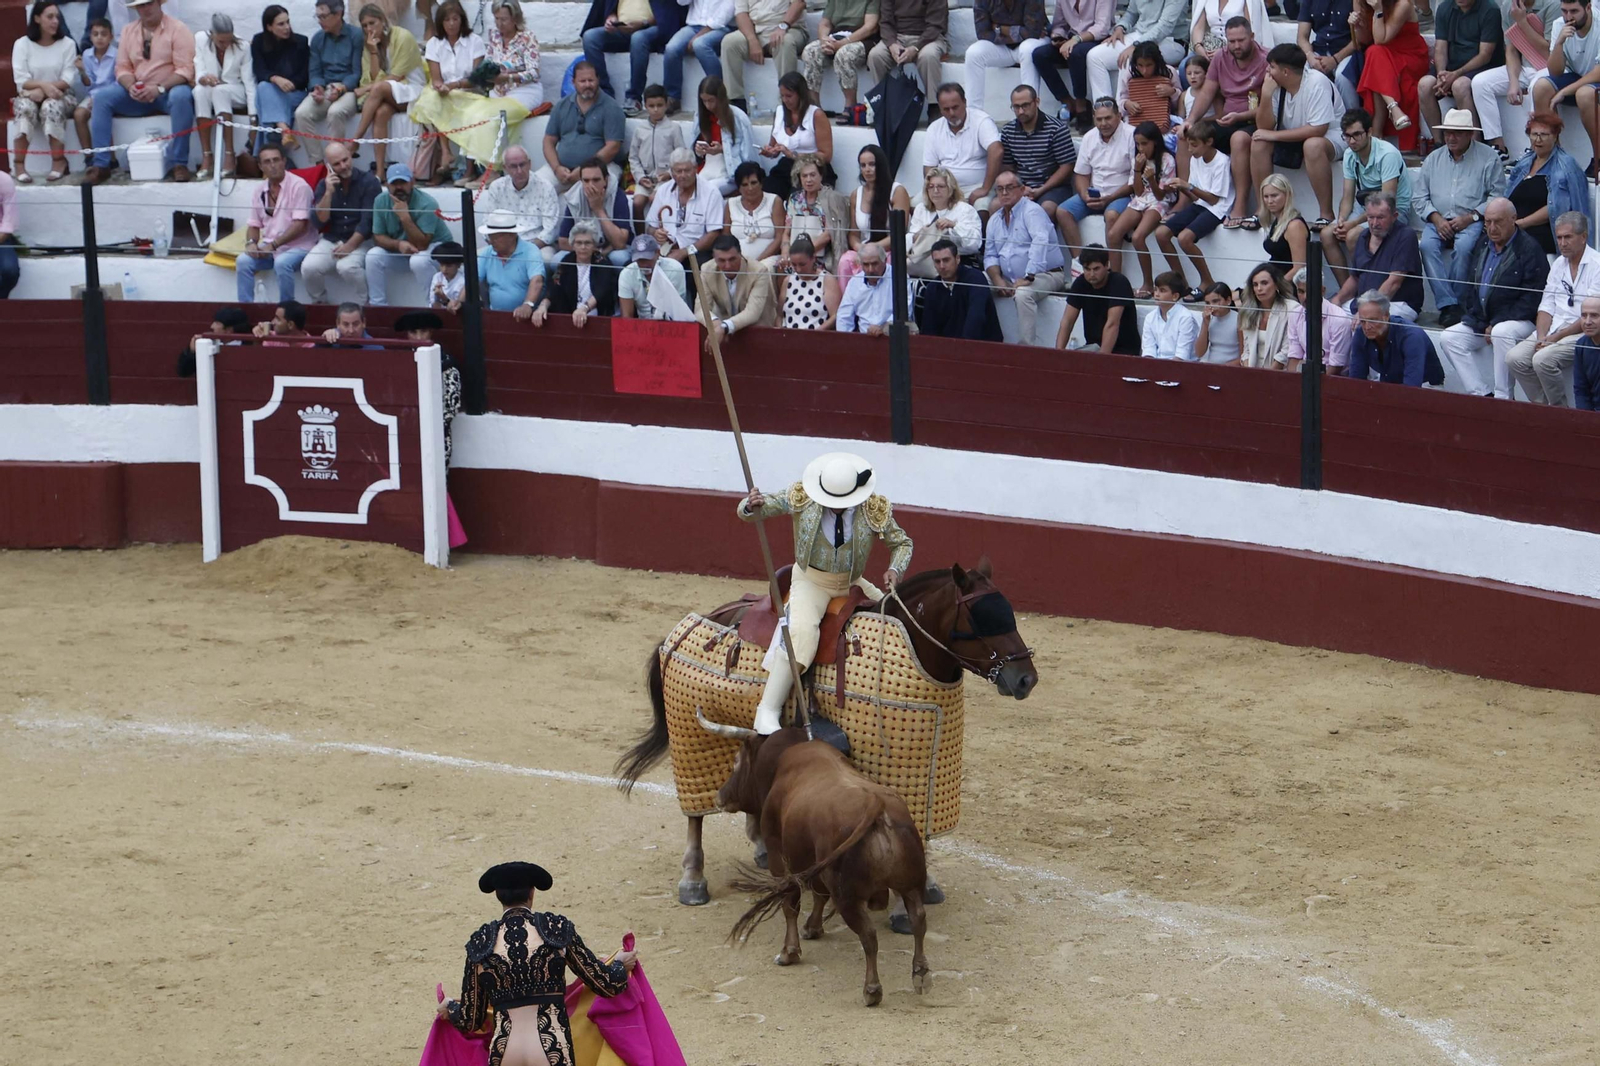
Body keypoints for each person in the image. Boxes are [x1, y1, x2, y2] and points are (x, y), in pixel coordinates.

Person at [737, 452, 912, 734]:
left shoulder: (872, 507)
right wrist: (750, 504)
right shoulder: (803, 496)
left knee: (896, 619)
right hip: (811, 582)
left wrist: (895, 569)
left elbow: (902, 543)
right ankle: (767, 709)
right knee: (803, 633)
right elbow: (761, 508)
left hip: (852, 581)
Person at [442, 861, 637, 1066]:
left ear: (498, 895)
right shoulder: (555, 929)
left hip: (504, 1049)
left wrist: (450, 1007)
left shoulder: (481, 943)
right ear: (532, 893)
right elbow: (605, 984)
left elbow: (470, 1019)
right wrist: (618, 965)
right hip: (551, 1045)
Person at [1437, 197, 1550, 398]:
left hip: (1521, 321)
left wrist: (1497, 322)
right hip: (1486, 320)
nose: (1492, 227)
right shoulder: (1483, 244)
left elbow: (1532, 300)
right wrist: (1479, 321)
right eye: (1488, 222)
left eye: (1498, 221)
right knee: (1449, 338)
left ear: (1513, 219)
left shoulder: (1530, 249)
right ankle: (1481, 395)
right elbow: (1472, 288)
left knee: (1501, 332)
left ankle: (1503, 397)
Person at [83, 0, 195, 185]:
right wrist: (130, 86)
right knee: (102, 98)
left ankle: (179, 164)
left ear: (159, 3)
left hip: (166, 90)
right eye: (141, 5)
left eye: (149, 3)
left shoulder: (178, 29)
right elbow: (122, 68)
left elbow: (185, 70)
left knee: (182, 96)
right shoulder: (129, 30)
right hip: (137, 91)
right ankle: (101, 164)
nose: (146, 8)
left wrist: (159, 88)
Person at [1415, 109, 1504, 328]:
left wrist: (1472, 216)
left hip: (1472, 219)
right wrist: (1436, 218)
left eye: (1457, 133)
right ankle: (1449, 305)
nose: (1451, 138)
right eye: (1447, 133)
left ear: (1469, 135)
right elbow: (1419, 197)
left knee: (1464, 247)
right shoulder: (1433, 158)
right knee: (1426, 245)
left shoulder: (1488, 157)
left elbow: (1498, 195)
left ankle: (1454, 304)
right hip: (1438, 219)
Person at [1504, 212, 1600, 404]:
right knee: (1514, 358)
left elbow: (1591, 317)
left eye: (1568, 237)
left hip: (1581, 332)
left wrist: (1554, 339)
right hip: (1552, 330)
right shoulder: (1558, 264)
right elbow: (1546, 305)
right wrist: (1541, 338)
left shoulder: (1597, 265)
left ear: (1583, 237)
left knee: (1542, 360)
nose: (1562, 243)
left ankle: (1558, 411)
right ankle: (1544, 408)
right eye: (1559, 237)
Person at [1179, 17, 1264, 228]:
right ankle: (1184, 199)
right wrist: (1189, 121)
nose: (1236, 45)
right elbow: (1208, 91)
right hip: (1226, 119)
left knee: (1239, 139)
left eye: (1241, 40)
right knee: (1185, 135)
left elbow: (1270, 105)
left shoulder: (1265, 59)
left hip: (1254, 119)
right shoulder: (1220, 57)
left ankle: (1240, 205)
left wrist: (1240, 116)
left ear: (1252, 37)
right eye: (1231, 41)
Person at [1247, 44, 1342, 231]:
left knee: (1312, 145)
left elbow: (1318, 129)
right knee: (1259, 143)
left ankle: (1326, 214)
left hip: (1332, 137)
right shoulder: (1275, 85)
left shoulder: (1316, 82)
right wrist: (1265, 95)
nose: (1268, 71)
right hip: (1293, 136)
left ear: (1285, 71)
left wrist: (1274, 135)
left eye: (1272, 67)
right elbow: (1264, 127)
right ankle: (1263, 211)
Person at [409, 0, 504, 185]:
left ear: (462, 20)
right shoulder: (434, 44)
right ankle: (446, 152)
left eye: (455, 19)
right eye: (447, 20)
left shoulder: (474, 41)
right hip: (447, 93)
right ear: (441, 23)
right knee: (431, 98)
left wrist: (453, 86)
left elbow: (477, 78)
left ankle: (461, 165)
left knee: (457, 108)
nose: (451, 24)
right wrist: (441, 87)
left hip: (470, 91)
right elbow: (436, 78)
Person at [1321, 108, 1413, 284]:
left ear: (1369, 132)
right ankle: (1348, 290)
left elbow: (1387, 202)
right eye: (1347, 136)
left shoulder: (1387, 154)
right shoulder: (1349, 154)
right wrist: (1341, 220)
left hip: (1394, 211)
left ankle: (1366, 287)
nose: (1352, 141)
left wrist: (1353, 223)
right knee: (1327, 234)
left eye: (1357, 135)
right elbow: (1347, 196)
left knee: (1353, 235)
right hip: (1364, 206)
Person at [984, 167, 1067, 346]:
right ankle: (985, 340)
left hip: (1046, 274)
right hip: (1009, 278)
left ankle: (1026, 349)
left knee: (1023, 294)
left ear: (1022, 190)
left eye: (1010, 187)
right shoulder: (994, 219)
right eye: (1000, 189)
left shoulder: (1032, 211)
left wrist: (1028, 276)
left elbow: (1040, 242)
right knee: (974, 281)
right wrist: (997, 279)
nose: (1004, 193)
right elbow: (990, 254)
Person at [1473, 0, 1562, 160]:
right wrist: (1513, 82)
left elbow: (1549, 53)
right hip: (1524, 67)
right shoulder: (1508, 6)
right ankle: (1498, 147)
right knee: (1480, 83)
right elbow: (1511, 50)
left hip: (1549, 67)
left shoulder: (1552, 5)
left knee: (1538, 85)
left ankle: (1535, 148)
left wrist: (1522, 21)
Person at [1155, 118, 1233, 299]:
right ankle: (1180, 282)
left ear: (1209, 142)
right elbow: (1196, 197)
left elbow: (1213, 200)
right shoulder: (1196, 158)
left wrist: (1188, 186)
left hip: (1218, 209)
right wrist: (1180, 187)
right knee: (1161, 234)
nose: (1190, 150)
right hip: (1201, 204)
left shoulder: (1221, 161)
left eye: (1194, 146)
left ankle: (1207, 281)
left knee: (1184, 239)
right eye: (1189, 145)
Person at [236, 142, 316, 302]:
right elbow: (253, 224)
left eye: (276, 160)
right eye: (267, 162)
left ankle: (286, 311)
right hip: (270, 246)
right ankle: (245, 310)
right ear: (260, 166)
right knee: (243, 261)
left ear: (284, 162)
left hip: (299, 245)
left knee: (282, 263)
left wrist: (273, 246)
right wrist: (251, 243)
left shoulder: (300, 186)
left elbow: (300, 225)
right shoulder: (259, 190)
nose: (272, 165)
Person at [1506, 110, 1593, 256]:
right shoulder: (1524, 162)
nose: (1538, 140)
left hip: (1544, 233)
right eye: (1534, 134)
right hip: (1515, 229)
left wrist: (1522, 223)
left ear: (1555, 137)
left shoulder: (1567, 166)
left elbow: (1560, 206)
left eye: (1544, 135)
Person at [350, 5, 424, 177]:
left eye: (372, 23)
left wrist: (366, 89)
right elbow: (375, 77)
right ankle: (381, 171)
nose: (369, 29)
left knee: (379, 88)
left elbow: (397, 76)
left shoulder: (403, 36)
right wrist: (374, 51)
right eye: (365, 25)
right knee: (381, 113)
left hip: (412, 89)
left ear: (382, 20)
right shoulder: (369, 44)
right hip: (389, 91)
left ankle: (356, 140)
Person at [303, 140, 381, 303]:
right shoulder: (324, 185)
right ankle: (320, 304)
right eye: (337, 164)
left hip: (361, 240)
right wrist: (328, 193)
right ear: (329, 166)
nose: (343, 166)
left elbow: (368, 222)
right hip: (332, 238)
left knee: (346, 267)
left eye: (345, 160)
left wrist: (349, 246)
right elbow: (319, 222)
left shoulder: (370, 182)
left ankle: (365, 303)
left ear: (350, 156)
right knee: (309, 267)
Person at [1530, 0, 1600, 178]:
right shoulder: (1559, 25)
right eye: (1565, 11)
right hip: (1577, 76)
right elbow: (1555, 71)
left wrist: (1564, 91)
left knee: (1585, 94)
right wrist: (1559, 43)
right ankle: (1551, 158)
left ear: (1588, 7)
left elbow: (1598, 74)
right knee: (1541, 87)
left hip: (1594, 78)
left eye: (1574, 11)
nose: (1569, 17)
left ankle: (1598, 159)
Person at [1103, 118, 1175, 294]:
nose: (1141, 148)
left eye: (1145, 144)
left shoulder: (1167, 160)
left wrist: (1151, 178)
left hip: (1160, 201)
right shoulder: (1139, 160)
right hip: (1141, 199)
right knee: (1113, 234)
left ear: (1155, 142)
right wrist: (1137, 169)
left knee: (1138, 237)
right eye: (1138, 144)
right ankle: (1116, 281)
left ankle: (1148, 284)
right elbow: (1138, 192)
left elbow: (1160, 195)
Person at [367, 162, 452, 306]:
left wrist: (404, 217)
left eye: (403, 182)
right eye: (395, 183)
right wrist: (398, 244)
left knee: (418, 261)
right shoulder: (380, 201)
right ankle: (378, 307)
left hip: (436, 250)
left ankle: (434, 305)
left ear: (412, 182)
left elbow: (422, 244)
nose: (399, 187)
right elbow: (378, 237)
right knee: (373, 256)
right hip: (404, 251)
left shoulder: (427, 203)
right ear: (387, 184)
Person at [12, 2, 78, 184]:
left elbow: (67, 79)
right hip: (30, 95)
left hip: (62, 95)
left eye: (57, 17)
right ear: (37, 18)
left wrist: (48, 91)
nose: (55, 21)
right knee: (24, 107)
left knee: (51, 106)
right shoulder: (22, 44)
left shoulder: (68, 44)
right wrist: (42, 87)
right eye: (49, 17)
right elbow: (21, 79)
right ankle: (19, 164)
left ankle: (58, 162)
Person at [1057, 97, 1133, 256]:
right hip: (1095, 194)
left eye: (1108, 118)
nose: (1103, 123)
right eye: (1099, 119)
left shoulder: (1131, 135)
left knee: (1111, 215)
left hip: (1124, 195)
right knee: (1063, 212)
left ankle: (1112, 271)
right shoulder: (1089, 137)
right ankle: (1080, 264)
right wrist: (1085, 195)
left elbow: (1136, 180)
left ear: (1119, 116)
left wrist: (1111, 198)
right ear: (1093, 118)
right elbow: (1081, 174)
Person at [1331, 191, 1424, 320]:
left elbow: (1394, 282)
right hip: (1363, 303)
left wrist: (1367, 312)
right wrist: (1338, 299)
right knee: (1330, 314)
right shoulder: (1363, 236)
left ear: (1394, 216)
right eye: (1370, 217)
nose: (1374, 223)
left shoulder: (1405, 236)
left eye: (1380, 217)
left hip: (1397, 304)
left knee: (1369, 321)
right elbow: (1355, 278)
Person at [1416, 0, 1504, 134]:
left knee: (1460, 86)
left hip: (1481, 65)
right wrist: (1441, 74)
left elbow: (1485, 55)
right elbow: (1440, 47)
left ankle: (1473, 143)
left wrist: (1456, 74)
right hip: (1452, 65)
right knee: (1425, 85)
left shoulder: (1490, 9)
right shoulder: (1445, 8)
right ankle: (1439, 142)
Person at [1353, 0, 1430, 150]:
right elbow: (1364, 40)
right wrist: (1357, 26)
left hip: (1410, 55)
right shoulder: (1361, 2)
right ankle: (1393, 111)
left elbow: (1381, 39)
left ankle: (1376, 133)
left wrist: (1378, 10)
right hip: (1384, 57)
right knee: (1375, 56)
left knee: (1375, 55)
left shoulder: (1403, 4)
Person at [581, 0, 681, 112]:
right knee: (590, 37)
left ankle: (634, 97)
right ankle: (604, 93)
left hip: (651, 29)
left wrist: (643, 23)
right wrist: (611, 18)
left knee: (638, 38)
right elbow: (609, 5)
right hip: (622, 30)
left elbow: (664, 13)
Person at [293, 0, 361, 164]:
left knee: (335, 112)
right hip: (326, 88)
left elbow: (357, 72)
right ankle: (318, 163)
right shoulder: (317, 39)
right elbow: (314, 71)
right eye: (317, 16)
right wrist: (317, 87)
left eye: (323, 16)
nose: (320, 21)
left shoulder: (356, 35)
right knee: (301, 114)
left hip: (349, 89)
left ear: (338, 14)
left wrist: (342, 87)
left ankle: (336, 162)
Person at [1029, 0, 1115, 128]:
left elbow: (1102, 27)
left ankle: (1081, 105)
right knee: (1039, 55)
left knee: (1075, 53)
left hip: (1097, 40)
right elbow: (1059, 24)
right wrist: (1057, 37)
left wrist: (1076, 40)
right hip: (1071, 39)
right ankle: (1067, 102)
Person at [542, 61, 626, 192]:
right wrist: (556, 168)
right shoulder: (561, 106)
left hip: (600, 168)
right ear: (573, 82)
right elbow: (548, 141)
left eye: (591, 80)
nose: (588, 85)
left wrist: (584, 170)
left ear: (598, 80)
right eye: (582, 81)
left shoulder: (611, 108)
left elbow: (613, 147)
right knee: (536, 186)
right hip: (562, 168)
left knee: (606, 185)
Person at [1001, 85, 1078, 225]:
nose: (1021, 111)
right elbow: (1008, 167)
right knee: (996, 206)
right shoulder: (1008, 131)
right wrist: (1020, 187)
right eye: (1016, 107)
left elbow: (1066, 167)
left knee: (1045, 210)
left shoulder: (1056, 129)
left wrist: (1041, 189)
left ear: (1036, 102)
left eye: (1025, 105)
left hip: (1053, 187)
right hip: (1020, 186)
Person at [1084, 0, 1187, 106]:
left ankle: (1120, 109)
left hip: (1171, 41)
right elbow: (1131, 13)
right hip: (1139, 34)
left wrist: (1136, 45)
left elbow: (1165, 26)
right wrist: (1120, 28)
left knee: (1133, 57)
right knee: (1095, 56)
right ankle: (1105, 109)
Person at [393, 309, 463, 464]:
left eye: (423, 332)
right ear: (407, 334)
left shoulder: (446, 364)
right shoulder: (398, 360)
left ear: (431, 333)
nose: (418, 338)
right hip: (402, 432)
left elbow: (450, 407)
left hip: (434, 433)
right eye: (413, 332)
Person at [922, 84, 1003, 210]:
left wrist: (985, 188)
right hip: (945, 188)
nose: (952, 113)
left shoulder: (981, 121)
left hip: (977, 187)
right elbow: (929, 168)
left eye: (955, 107)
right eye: (946, 109)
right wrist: (937, 189)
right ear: (940, 108)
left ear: (965, 102)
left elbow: (997, 150)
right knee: (916, 205)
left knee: (982, 206)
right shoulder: (934, 128)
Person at [191, 15, 251, 181]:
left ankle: (229, 155)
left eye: (228, 40)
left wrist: (253, 116)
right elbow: (199, 66)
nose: (226, 45)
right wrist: (203, 78)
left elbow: (249, 82)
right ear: (212, 35)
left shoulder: (243, 46)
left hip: (236, 90)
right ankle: (207, 156)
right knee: (199, 91)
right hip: (212, 87)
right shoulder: (201, 39)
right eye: (221, 42)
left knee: (220, 91)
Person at [479, 146, 563, 263]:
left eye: (522, 165)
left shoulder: (545, 187)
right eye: (513, 166)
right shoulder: (496, 187)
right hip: (502, 246)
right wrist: (503, 248)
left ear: (529, 164)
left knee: (546, 259)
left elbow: (551, 230)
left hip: (537, 245)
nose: (519, 171)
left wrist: (522, 251)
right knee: (477, 259)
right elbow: (487, 224)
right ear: (505, 168)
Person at [963, 0, 1048, 115]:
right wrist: (1016, 33)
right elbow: (982, 33)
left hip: (1033, 42)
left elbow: (1032, 32)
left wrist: (999, 28)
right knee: (973, 53)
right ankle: (973, 114)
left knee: (1027, 50)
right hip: (1002, 46)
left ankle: (1030, 112)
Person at [722, 0, 808, 112]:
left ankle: (787, 103)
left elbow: (799, 4)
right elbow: (741, 14)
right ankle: (736, 104)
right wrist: (752, 40)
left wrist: (782, 27)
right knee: (729, 43)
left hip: (788, 28)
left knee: (784, 42)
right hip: (757, 30)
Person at [844, 144, 911, 284]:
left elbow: (898, 232)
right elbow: (853, 234)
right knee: (845, 261)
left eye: (872, 164)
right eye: (863, 165)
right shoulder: (856, 194)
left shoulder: (897, 191)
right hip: (863, 249)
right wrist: (860, 248)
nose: (867, 170)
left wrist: (874, 249)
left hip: (889, 249)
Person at [1055, 243, 1139, 354]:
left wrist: (1101, 361)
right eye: (1087, 269)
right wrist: (1057, 355)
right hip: (1093, 348)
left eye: (1096, 269)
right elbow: (1067, 321)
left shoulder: (1119, 282)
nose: (1092, 274)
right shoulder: (1081, 282)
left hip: (1123, 351)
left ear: (1107, 265)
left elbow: (1112, 324)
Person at [648, 148, 726, 268]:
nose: (683, 175)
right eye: (678, 171)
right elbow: (651, 227)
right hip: (664, 250)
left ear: (695, 169)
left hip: (695, 252)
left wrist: (684, 252)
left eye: (687, 170)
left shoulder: (711, 193)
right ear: (672, 172)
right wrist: (656, 233)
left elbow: (714, 233)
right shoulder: (663, 190)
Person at [1348, 289, 1446, 385]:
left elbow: (1412, 386)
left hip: (1426, 387)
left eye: (1372, 320)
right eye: (1363, 321)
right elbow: (1356, 378)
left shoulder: (1411, 336)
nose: (1367, 327)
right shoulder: (1361, 333)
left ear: (1386, 316)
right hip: (1392, 384)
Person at [760, 72, 832, 199]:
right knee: (767, 194)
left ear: (800, 94)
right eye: (782, 96)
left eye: (789, 96)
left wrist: (794, 155)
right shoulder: (779, 112)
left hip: (812, 168)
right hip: (786, 167)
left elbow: (826, 155)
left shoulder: (816, 115)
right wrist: (770, 151)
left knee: (797, 197)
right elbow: (773, 145)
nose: (785, 100)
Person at [800, 0, 878, 115]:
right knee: (810, 51)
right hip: (836, 37)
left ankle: (850, 106)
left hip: (863, 39)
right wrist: (824, 40)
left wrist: (842, 43)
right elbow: (825, 23)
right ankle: (814, 107)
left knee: (844, 54)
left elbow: (870, 27)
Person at [696, 232, 776, 345]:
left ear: (741, 255)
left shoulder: (759, 271)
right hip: (725, 334)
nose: (727, 266)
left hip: (758, 332)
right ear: (714, 259)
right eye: (721, 261)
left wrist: (724, 327)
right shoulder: (706, 269)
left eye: (732, 259)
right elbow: (700, 309)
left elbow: (753, 312)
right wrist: (716, 324)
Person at [251, 5, 309, 153]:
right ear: (269, 27)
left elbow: (305, 76)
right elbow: (259, 71)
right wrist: (276, 79)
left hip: (294, 94)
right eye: (281, 24)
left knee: (264, 98)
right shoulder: (258, 41)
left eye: (288, 22)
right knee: (264, 87)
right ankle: (284, 130)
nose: (287, 27)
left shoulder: (301, 42)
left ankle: (265, 155)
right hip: (272, 93)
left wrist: (291, 84)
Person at [919, 238, 1002, 339]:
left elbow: (976, 318)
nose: (942, 266)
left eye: (946, 260)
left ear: (957, 259)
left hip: (983, 346)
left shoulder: (975, 278)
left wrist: (962, 348)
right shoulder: (932, 288)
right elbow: (929, 327)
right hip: (947, 349)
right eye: (937, 261)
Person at [907, 166, 982, 277]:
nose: (935, 191)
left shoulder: (965, 209)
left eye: (941, 186)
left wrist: (953, 227)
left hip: (959, 262)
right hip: (925, 262)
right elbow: (910, 240)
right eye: (931, 187)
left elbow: (975, 244)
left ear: (951, 189)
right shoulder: (921, 209)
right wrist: (923, 233)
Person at [559, 156, 634, 265]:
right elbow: (563, 241)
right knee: (557, 260)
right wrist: (591, 252)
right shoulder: (574, 197)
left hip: (612, 250)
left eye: (596, 180)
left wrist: (598, 209)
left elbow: (620, 243)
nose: (591, 185)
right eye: (586, 181)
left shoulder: (618, 195)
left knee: (619, 258)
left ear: (605, 180)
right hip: (583, 249)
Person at [661, 0, 734, 113]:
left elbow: (726, 13)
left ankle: (719, 93)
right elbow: (682, 2)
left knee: (700, 45)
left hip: (720, 27)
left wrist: (700, 35)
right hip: (693, 26)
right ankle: (673, 97)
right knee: (671, 49)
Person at [866, 0, 947, 101]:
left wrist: (916, 48)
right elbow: (885, 22)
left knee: (928, 56)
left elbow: (935, 26)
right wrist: (892, 44)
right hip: (897, 36)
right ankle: (883, 102)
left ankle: (934, 105)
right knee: (876, 55)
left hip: (928, 37)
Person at [692, 75, 758, 194]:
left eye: (711, 100)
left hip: (730, 171)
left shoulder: (738, 117)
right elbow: (695, 152)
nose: (708, 105)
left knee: (708, 189)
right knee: (690, 186)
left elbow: (748, 153)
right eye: (704, 101)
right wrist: (699, 151)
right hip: (708, 167)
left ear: (720, 98)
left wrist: (722, 150)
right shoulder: (700, 116)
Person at [783, 153, 850, 270]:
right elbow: (786, 233)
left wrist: (802, 254)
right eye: (804, 176)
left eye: (813, 175)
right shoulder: (794, 199)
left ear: (821, 176)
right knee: (779, 268)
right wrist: (785, 253)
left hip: (821, 258)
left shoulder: (832, 198)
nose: (809, 180)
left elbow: (829, 235)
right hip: (795, 257)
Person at [479, 209, 549, 320]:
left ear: (511, 235)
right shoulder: (486, 253)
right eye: (490, 237)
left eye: (496, 237)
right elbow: (472, 280)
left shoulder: (530, 250)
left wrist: (527, 304)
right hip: (495, 316)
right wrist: (458, 301)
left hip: (527, 318)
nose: (491, 241)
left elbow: (537, 280)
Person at [629, 84, 686, 218]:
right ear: (645, 106)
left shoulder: (673, 129)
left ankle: (659, 234)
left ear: (666, 105)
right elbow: (633, 157)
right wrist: (640, 177)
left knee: (655, 200)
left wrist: (669, 174)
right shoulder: (640, 130)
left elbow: (681, 156)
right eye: (651, 106)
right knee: (637, 203)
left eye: (659, 105)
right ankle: (641, 237)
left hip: (665, 180)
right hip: (645, 179)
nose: (656, 110)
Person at [549, 221, 620, 325]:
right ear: (573, 245)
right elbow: (555, 286)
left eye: (587, 243)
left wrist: (584, 308)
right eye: (579, 243)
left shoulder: (602, 262)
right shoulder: (567, 261)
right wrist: (542, 306)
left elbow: (603, 290)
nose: (583, 247)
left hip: (596, 314)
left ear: (594, 245)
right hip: (571, 314)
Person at [1284, 266, 1353, 374]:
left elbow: (1336, 367)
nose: (1305, 297)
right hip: (1305, 375)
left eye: (1311, 291)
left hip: (1335, 380)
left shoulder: (1339, 319)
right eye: (1301, 291)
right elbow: (1294, 358)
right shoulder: (1295, 314)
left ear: (1322, 291)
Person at [1297, 0, 1359, 112]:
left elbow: (1359, 39)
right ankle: (1307, 118)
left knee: (1343, 76)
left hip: (1346, 52)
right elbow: (1302, 38)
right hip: (1318, 50)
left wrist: (1335, 59)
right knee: (1301, 70)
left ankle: (1353, 119)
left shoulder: (1354, 2)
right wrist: (1310, 56)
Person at [72, 17, 116, 173]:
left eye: (104, 34)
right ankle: (89, 155)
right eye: (95, 34)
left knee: (101, 109)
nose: (99, 38)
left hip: (111, 95)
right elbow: (88, 84)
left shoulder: (116, 55)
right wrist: (82, 71)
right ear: (90, 37)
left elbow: (118, 81)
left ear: (111, 36)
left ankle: (111, 158)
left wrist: (99, 98)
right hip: (92, 95)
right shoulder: (87, 55)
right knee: (79, 114)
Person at [836, 241, 908, 334]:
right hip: (863, 339)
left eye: (875, 264)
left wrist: (884, 328)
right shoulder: (855, 282)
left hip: (893, 336)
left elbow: (904, 312)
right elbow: (844, 317)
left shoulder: (899, 278)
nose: (870, 269)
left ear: (885, 261)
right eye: (866, 265)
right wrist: (844, 342)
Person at [484, 0, 542, 112]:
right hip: (498, 92)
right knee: (482, 114)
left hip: (524, 90)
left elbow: (534, 73)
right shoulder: (494, 35)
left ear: (515, 19)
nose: (499, 24)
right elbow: (488, 61)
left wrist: (507, 78)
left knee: (504, 112)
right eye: (496, 18)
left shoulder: (527, 38)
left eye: (504, 20)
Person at [1238, 262, 1299, 368]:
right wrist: (1248, 373)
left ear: (1276, 285)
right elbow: (1246, 351)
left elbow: (1287, 350)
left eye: (1264, 283)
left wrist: (1267, 377)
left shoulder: (1292, 308)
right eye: (1255, 285)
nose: (1259, 289)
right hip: (1253, 374)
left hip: (1280, 374)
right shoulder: (1248, 310)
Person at [778, 234, 842, 329]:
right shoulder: (788, 281)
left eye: (802, 264)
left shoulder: (827, 280)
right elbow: (779, 315)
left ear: (813, 258)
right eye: (794, 265)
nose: (798, 269)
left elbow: (835, 316)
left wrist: (816, 333)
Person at [618, 233, 689, 317]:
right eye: (640, 260)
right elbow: (626, 317)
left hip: (671, 324)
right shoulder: (627, 274)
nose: (644, 264)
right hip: (641, 326)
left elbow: (675, 311)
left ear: (658, 253)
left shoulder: (674, 269)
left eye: (647, 259)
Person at [1116, 40, 1180, 133]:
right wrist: (1126, 104)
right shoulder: (1129, 75)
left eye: (1149, 65)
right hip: (1135, 125)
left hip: (1163, 123)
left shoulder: (1169, 72)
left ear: (1156, 62)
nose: (1144, 70)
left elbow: (1180, 101)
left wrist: (1172, 92)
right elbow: (1120, 101)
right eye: (1140, 65)